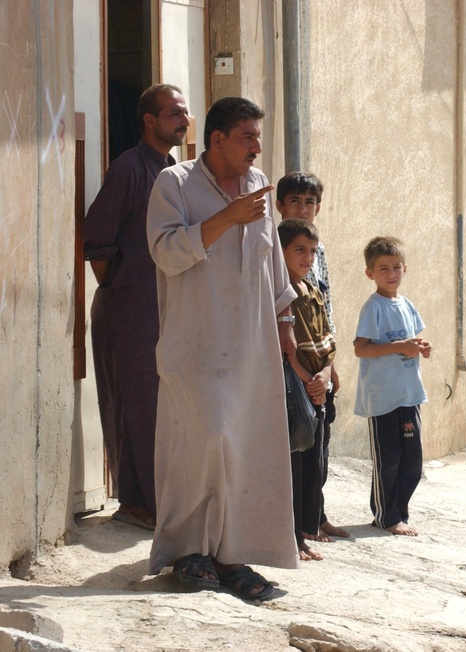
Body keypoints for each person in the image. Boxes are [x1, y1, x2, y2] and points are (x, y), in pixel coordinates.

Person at [145, 96, 298, 601]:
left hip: (251, 352)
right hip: (195, 346)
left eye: (259, 136)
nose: (257, 146)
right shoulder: (175, 183)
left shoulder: (258, 186)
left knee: (243, 450)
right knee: (203, 442)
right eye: (247, 136)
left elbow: (271, 264)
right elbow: (166, 253)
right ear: (217, 140)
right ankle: (189, 550)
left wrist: (286, 326)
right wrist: (226, 219)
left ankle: (233, 557)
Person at [83, 83, 190, 531]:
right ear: (149, 120)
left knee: (160, 405)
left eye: (185, 113)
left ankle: (148, 498)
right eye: (173, 113)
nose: (183, 121)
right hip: (128, 307)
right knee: (134, 402)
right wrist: (118, 288)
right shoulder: (129, 168)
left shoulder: (176, 172)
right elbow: (97, 239)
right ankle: (138, 501)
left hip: (164, 308)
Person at [275, 173, 349, 542]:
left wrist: (329, 367)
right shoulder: (277, 252)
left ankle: (316, 516)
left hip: (319, 363)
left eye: (309, 202)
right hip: (295, 371)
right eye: (295, 201)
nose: (303, 208)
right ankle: (298, 527)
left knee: (320, 447)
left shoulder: (316, 253)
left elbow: (326, 309)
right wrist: (308, 375)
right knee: (298, 449)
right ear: (280, 206)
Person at [354, 236, 431, 536]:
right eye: (383, 268)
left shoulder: (407, 304)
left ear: (405, 269)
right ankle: (385, 516)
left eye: (396, 267)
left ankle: (400, 511)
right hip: (382, 399)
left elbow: (413, 341)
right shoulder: (372, 307)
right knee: (388, 459)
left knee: (412, 460)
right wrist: (400, 347)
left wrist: (421, 347)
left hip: (408, 396)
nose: (391, 274)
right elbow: (361, 348)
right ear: (370, 273)